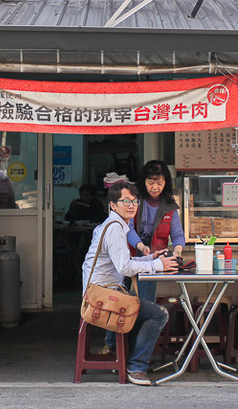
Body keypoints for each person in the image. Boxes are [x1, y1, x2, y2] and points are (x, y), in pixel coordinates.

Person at [82, 181, 178, 385]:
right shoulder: (115, 230)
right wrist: (157, 265)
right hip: (101, 297)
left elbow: (125, 262)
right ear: (113, 205)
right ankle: (136, 367)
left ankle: (127, 360)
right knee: (158, 314)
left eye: (135, 201)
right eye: (126, 201)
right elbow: (125, 268)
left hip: (101, 292)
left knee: (141, 307)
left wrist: (152, 259)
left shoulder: (115, 225)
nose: (132, 205)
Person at [127, 161, 185, 303]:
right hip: (129, 256)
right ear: (143, 182)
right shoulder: (134, 200)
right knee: (121, 298)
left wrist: (177, 251)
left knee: (146, 301)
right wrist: (140, 246)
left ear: (166, 183)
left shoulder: (169, 205)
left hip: (152, 260)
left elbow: (177, 234)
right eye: (150, 182)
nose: (155, 187)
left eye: (159, 183)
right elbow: (128, 228)